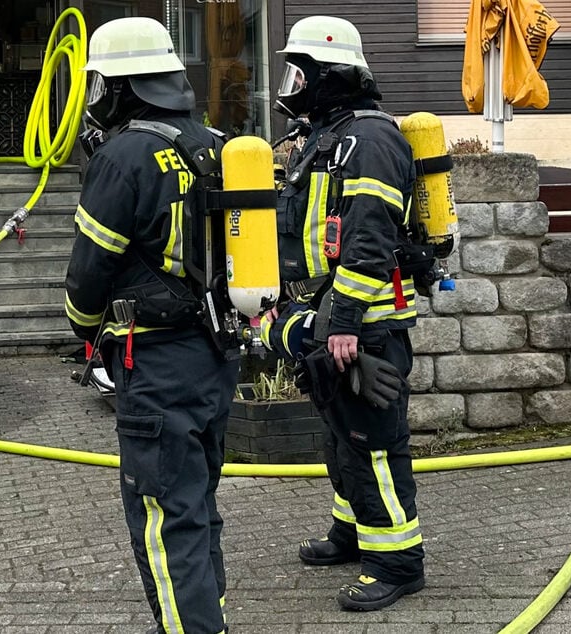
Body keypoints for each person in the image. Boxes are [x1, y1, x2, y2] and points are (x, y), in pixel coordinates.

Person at [64, 16, 240, 634]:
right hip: (215, 357)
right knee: (196, 508)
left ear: (119, 86)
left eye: (98, 86)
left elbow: (89, 272)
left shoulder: (124, 155)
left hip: (156, 365)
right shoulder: (216, 143)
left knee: (166, 519)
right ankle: (208, 618)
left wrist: (83, 329)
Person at [265, 15, 425, 611]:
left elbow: (369, 237)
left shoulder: (371, 139)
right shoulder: (327, 137)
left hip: (365, 326)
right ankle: (353, 533)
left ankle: (398, 562)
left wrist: (346, 323)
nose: (292, 83)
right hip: (334, 318)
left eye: (299, 71)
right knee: (341, 437)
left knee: (373, 443)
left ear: (330, 75)